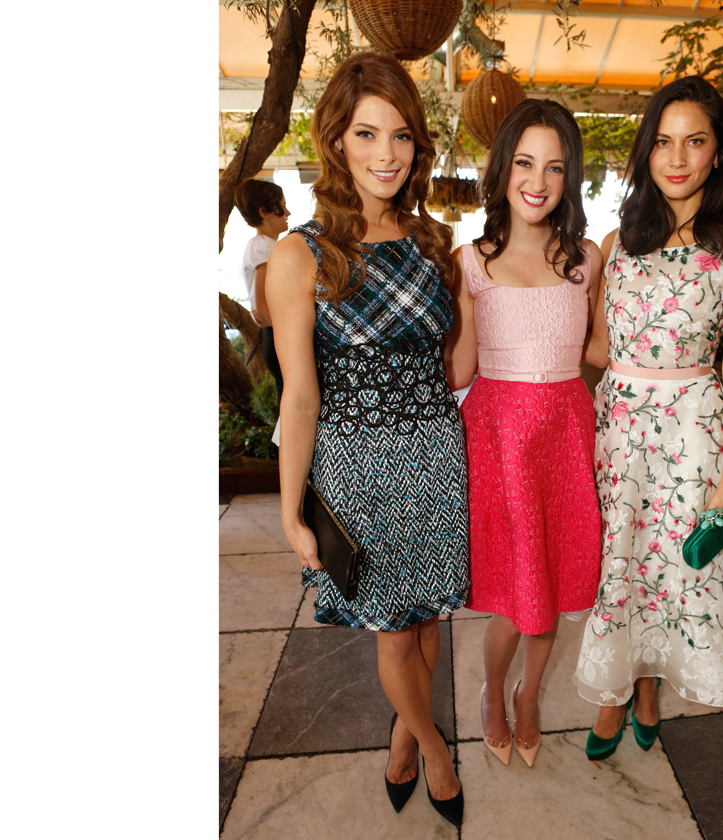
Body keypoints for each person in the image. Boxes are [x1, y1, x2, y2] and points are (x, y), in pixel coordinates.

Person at [266, 52, 469, 827]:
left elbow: (448, 366)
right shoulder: (300, 255)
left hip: (434, 455)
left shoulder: (431, 243)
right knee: (391, 636)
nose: (386, 154)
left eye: (402, 137)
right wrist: (292, 513)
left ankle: (403, 744)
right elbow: (302, 394)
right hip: (357, 467)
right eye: (366, 133)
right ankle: (435, 747)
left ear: (417, 146)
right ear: (338, 142)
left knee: (426, 620)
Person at [573, 75, 723, 760]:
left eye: (694, 141)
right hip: (619, 426)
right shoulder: (614, 241)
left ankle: (648, 687)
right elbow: (599, 348)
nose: (677, 157)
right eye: (662, 141)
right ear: (645, 150)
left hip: (694, 430)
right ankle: (616, 692)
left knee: (674, 571)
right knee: (619, 563)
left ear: (718, 153)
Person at [448, 99, 603, 769]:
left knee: (560, 588)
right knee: (515, 597)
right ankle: (491, 694)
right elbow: (458, 366)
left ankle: (531, 694)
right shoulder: (470, 260)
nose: (537, 181)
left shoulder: (586, 258)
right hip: (498, 442)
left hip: (567, 435)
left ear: (569, 179)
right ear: (502, 168)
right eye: (523, 163)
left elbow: (600, 350)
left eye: (555, 167)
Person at [233, 178, 291, 396]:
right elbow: (261, 309)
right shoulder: (262, 248)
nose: (288, 213)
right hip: (277, 338)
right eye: (283, 206)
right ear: (264, 212)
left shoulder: (267, 246)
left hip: (277, 336)